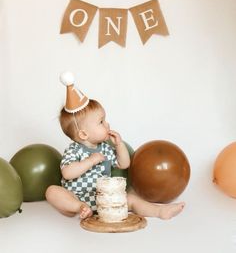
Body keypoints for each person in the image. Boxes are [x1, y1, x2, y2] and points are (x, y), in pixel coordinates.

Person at [45, 72, 185, 220]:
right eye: (101, 122)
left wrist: (119, 145)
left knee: (130, 199)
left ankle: (159, 212)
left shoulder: (104, 148)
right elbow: (67, 173)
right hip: (75, 197)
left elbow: (124, 164)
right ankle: (80, 208)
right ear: (83, 134)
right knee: (52, 191)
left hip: (105, 199)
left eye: (105, 120)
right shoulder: (74, 150)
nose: (107, 124)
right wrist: (90, 161)